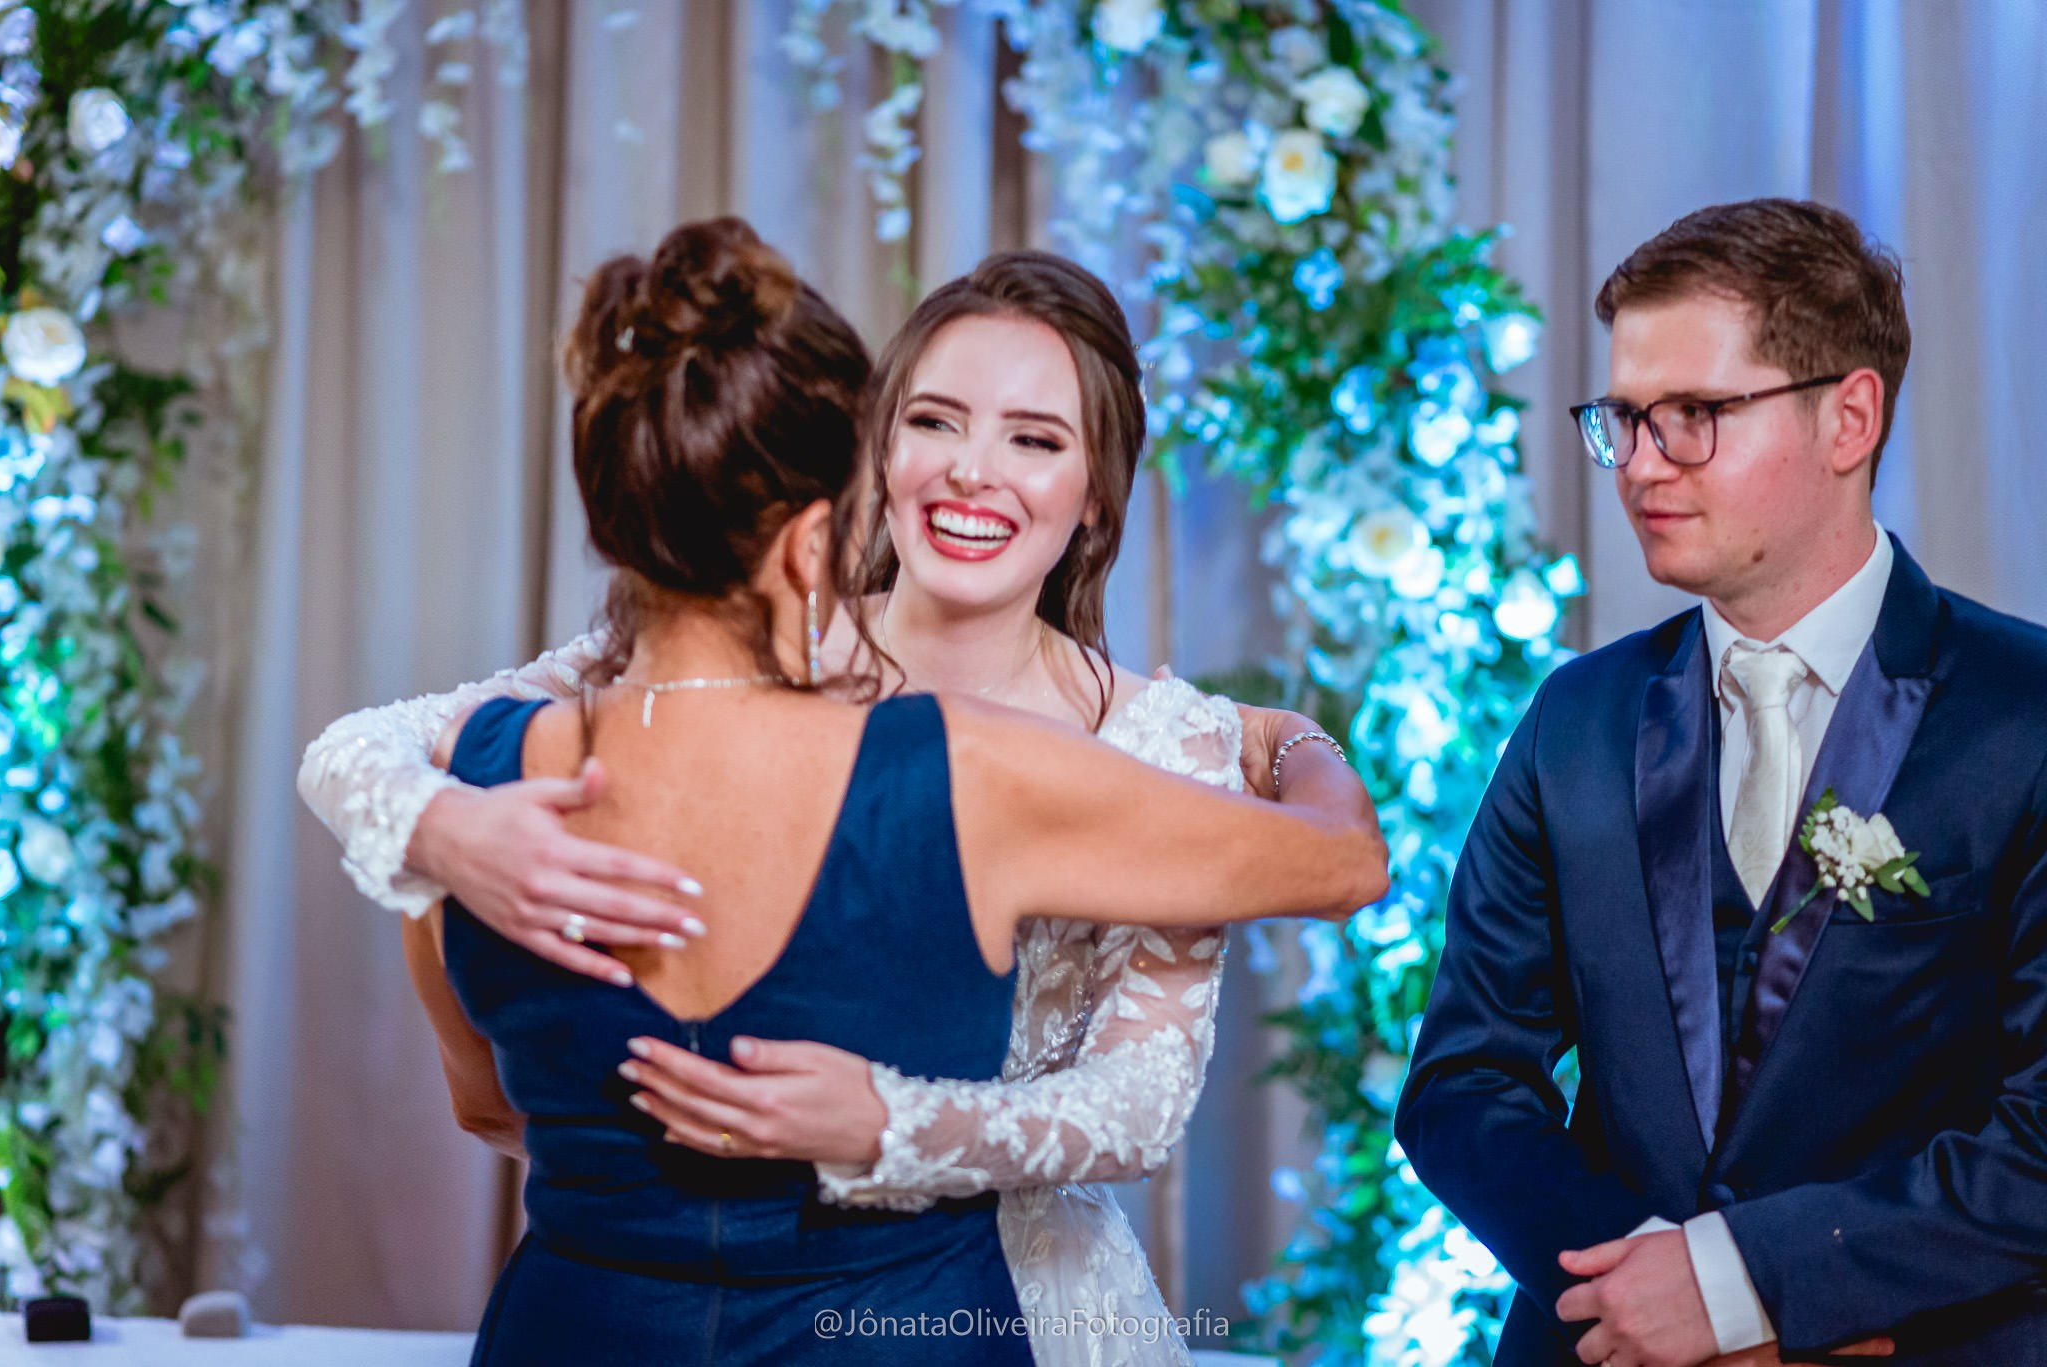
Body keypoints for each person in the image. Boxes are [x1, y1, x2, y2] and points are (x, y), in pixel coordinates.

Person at [308, 218, 1388, 1366]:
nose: (971, 469)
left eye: (1032, 439)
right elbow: (368, 746)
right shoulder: (708, 648)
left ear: (1094, 496)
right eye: (933, 420)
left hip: (1016, 1294)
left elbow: (1144, 1099)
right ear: (873, 455)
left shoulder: (1165, 740)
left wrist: (897, 1126)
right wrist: (443, 823)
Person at [1396, 197, 2047, 1367]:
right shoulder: (1571, 723)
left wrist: (1753, 1285)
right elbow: (1460, 1081)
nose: (1640, 463)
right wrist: (1646, 1295)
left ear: (1848, 417)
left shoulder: (2027, 713)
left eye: (1692, 414)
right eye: (1622, 419)